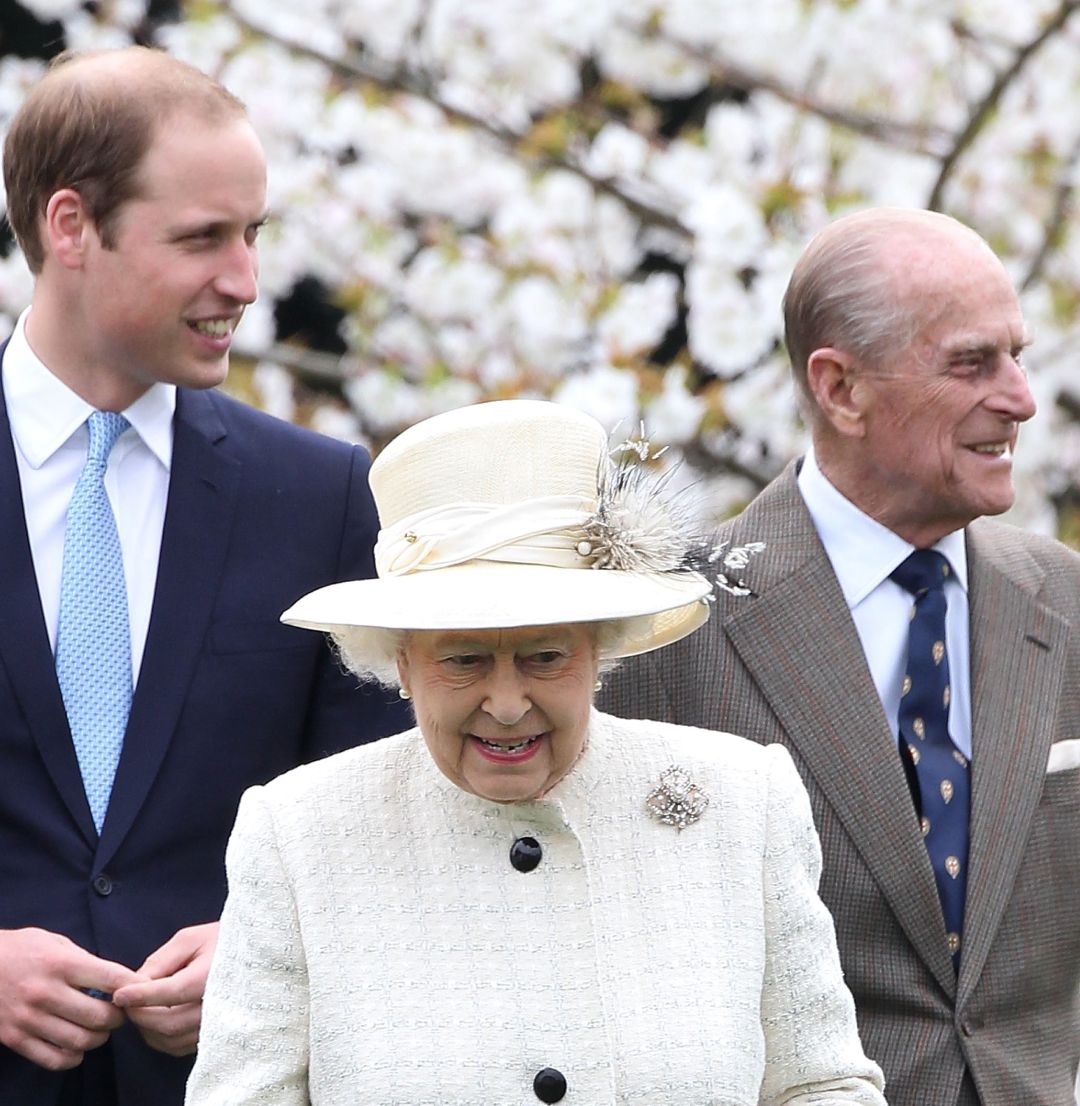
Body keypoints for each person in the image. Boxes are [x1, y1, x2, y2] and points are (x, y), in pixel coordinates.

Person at [183, 398, 887, 1106]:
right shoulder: (300, 833)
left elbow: (824, 1085)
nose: (508, 702)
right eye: (462, 661)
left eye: (545, 656)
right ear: (400, 661)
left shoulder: (742, 799)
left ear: (600, 647)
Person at [600, 207, 1080, 1106]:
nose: (1020, 397)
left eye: (1017, 356)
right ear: (840, 389)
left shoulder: (1067, 605)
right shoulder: (668, 628)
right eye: (974, 363)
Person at [0, 46, 406, 1105]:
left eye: (253, 233)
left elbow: (386, 816)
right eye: (202, 238)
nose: (245, 280)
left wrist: (274, 943)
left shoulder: (321, 495)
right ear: (70, 226)